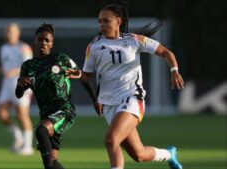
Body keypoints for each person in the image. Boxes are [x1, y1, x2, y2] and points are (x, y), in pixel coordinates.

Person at [66, 3, 184, 169]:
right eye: (100, 21)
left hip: (131, 97)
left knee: (111, 140)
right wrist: (78, 74)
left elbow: (166, 52)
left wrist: (174, 70)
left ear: (118, 21)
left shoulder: (134, 40)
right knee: (139, 154)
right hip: (109, 104)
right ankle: (169, 154)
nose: (102, 25)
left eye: (106, 21)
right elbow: (87, 76)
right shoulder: (93, 47)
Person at [16, 23, 96, 169]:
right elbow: (19, 94)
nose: (43, 43)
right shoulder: (27, 66)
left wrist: (95, 100)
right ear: (35, 41)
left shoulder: (61, 59)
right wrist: (20, 84)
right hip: (46, 114)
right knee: (52, 163)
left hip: (64, 110)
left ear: (52, 44)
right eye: (40, 40)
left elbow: (83, 77)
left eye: (47, 41)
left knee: (40, 130)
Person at [0, 23, 34, 156]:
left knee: (22, 114)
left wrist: (14, 71)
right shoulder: (3, 48)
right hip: (7, 85)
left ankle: (27, 146)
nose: (9, 33)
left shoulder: (23, 47)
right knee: (1, 113)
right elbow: (6, 65)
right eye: (7, 31)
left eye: (12, 31)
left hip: (22, 85)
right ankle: (17, 135)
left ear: (18, 33)